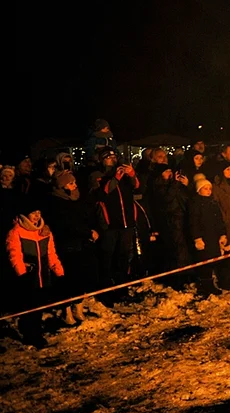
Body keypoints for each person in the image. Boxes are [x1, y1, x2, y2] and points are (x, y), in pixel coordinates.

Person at [6, 201, 66, 348]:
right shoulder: (16, 231)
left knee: (39, 305)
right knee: (29, 306)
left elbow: (51, 253)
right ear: (25, 215)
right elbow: (14, 254)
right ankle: (31, 334)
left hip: (43, 275)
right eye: (33, 213)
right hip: (28, 276)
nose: (37, 216)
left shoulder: (45, 231)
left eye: (38, 213)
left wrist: (58, 271)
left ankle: (36, 330)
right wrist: (22, 273)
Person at [44, 171, 98, 325]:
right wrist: (87, 232)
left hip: (81, 244)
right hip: (66, 245)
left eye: (74, 182)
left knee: (81, 275)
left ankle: (78, 306)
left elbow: (84, 218)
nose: (75, 185)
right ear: (62, 186)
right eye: (71, 183)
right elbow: (67, 225)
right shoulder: (57, 203)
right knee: (67, 278)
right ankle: (66, 310)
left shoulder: (78, 199)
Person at [95, 147, 140, 285]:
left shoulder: (124, 175)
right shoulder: (98, 175)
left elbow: (137, 186)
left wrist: (132, 174)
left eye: (114, 157)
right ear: (102, 160)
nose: (113, 159)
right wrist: (115, 178)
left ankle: (122, 283)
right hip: (110, 224)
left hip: (127, 222)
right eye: (108, 157)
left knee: (124, 255)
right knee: (108, 256)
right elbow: (104, 192)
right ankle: (107, 284)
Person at [189, 176, 230, 296]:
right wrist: (197, 238)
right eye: (205, 188)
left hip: (213, 236)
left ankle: (210, 284)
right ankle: (205, 285)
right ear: (199, 190)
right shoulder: (196, 204)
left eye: (209, 188)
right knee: (204, 263)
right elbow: (193, 222)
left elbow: (219, 220)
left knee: (212, 261)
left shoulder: (213, 203)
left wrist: (222, 234)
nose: (208, 191)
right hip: (204, 237)